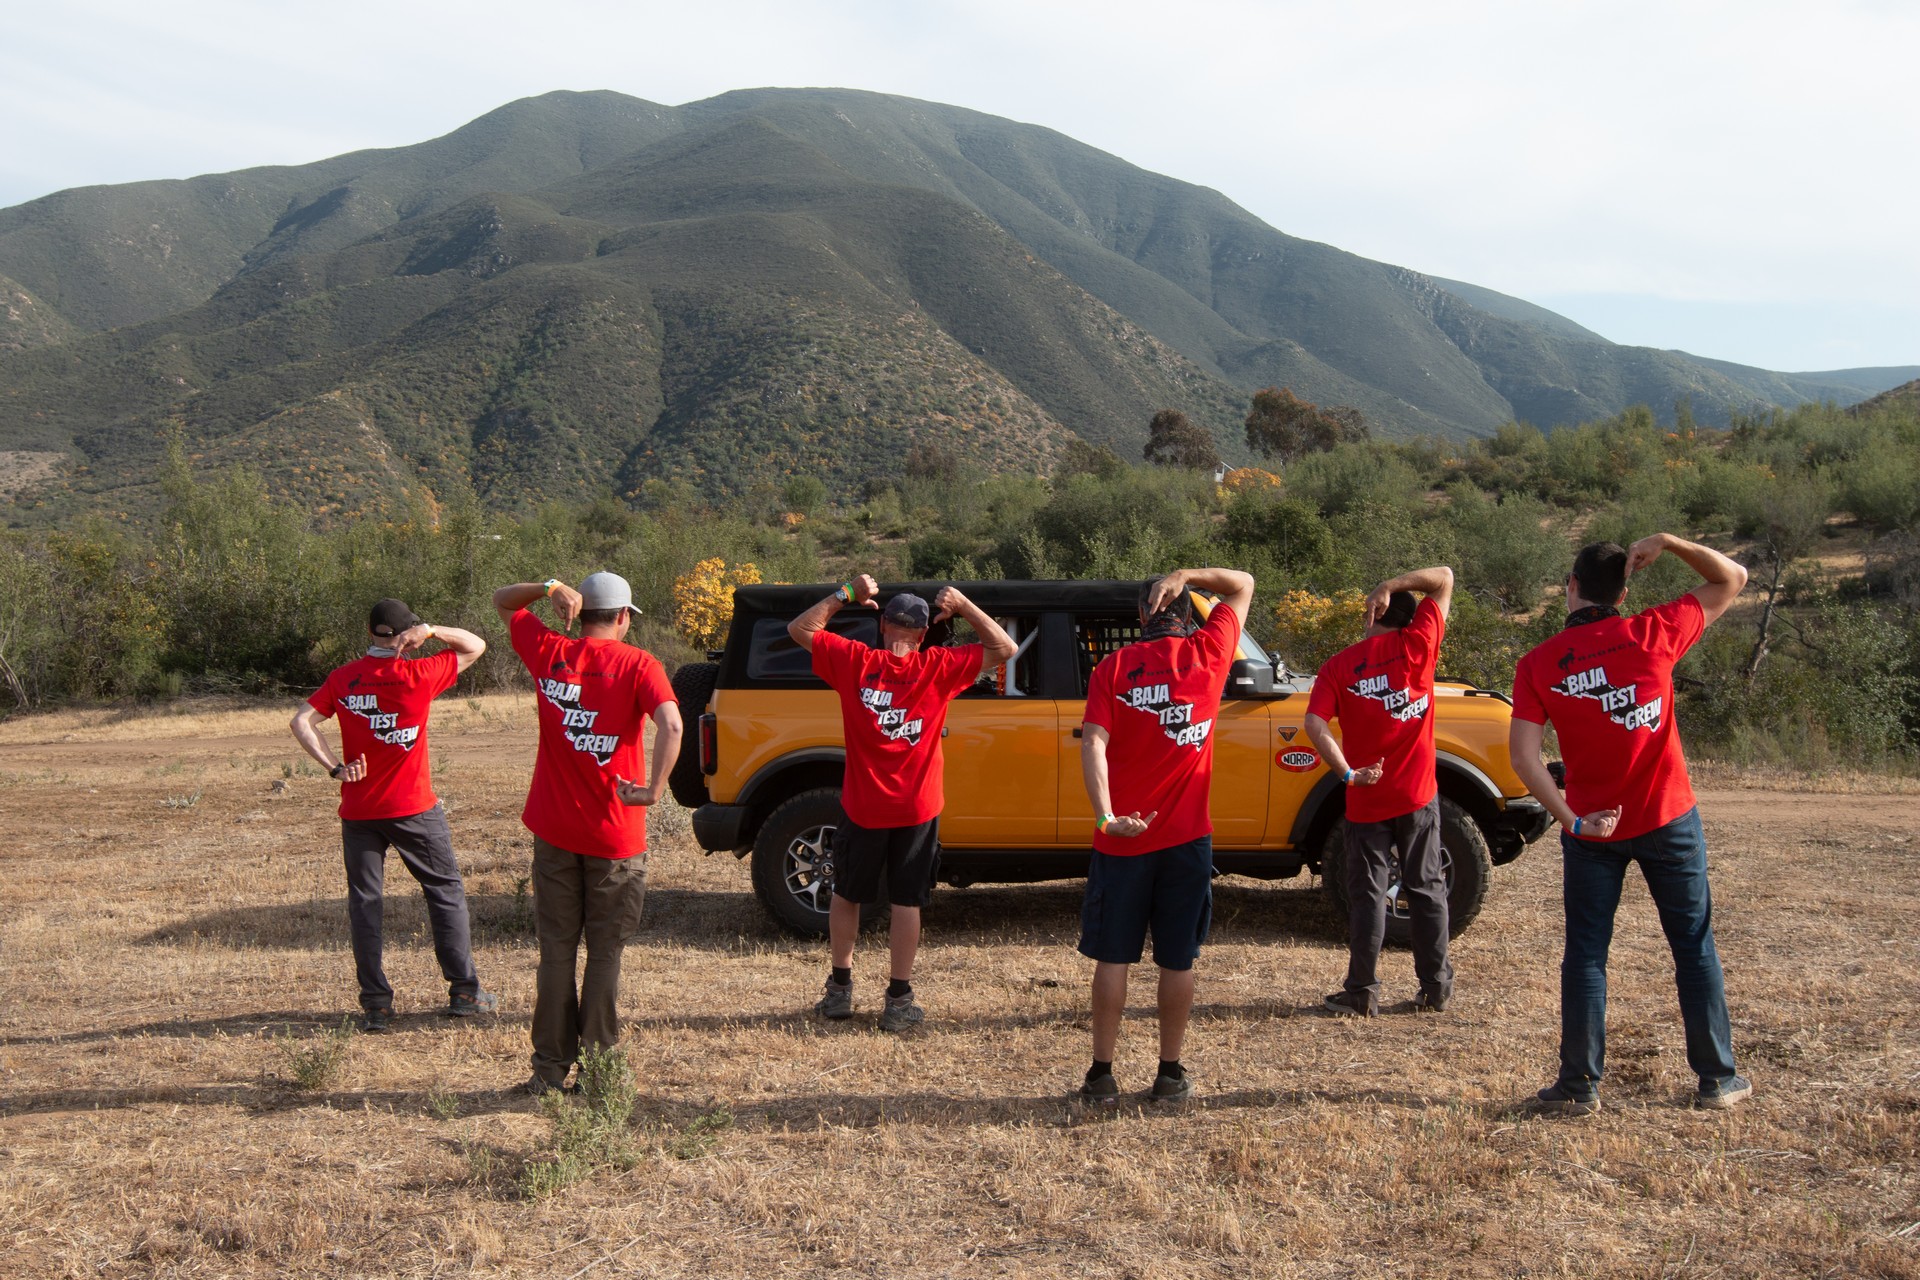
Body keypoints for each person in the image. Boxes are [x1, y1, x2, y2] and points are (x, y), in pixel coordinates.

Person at [1508, 535, 1753, 1114]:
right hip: (1669, 817)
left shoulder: (1538, 664)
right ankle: (1717, 1079)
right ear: (1622, 593)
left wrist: (1571, 821)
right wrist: (1667, 542)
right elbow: (1733, 578)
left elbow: (1523, 758)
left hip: (1592, 832)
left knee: (1586, 955)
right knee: (1692, 946)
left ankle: (1578, 1086)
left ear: (1571, 586)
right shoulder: (1653, 631)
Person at [787, 574, 1016, 1031]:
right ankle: (898, 1000)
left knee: (848, 894)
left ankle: (839, 991)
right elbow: (1005, 648)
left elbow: (800, 629)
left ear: (883, 626)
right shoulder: (939, 667)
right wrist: (963, 604)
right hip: (917, 807)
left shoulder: (855, 660)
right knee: (907, 901)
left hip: (863, 805)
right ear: (924, 633)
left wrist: (848, 594)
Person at [492, 572, 682, 1095]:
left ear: (581, 613)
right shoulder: (640, 664)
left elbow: (502, 601)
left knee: (556, 951)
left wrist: (548, 586)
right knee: (604, 954)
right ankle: (598, 1073)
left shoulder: (550, 650)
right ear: (622, 617)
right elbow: (672, 725)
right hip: (614, 835)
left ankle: (548, 1071)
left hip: (554, 829)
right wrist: (653, 790)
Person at [1076, 566, 1255, 1105]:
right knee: (1177, 960)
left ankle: (1102, 1077)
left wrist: (1107, 817)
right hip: (1186, 841)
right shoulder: (1210, 652)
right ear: (1186, 611)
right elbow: (1243, 583)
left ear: (1142, 615)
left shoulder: (1112, 667)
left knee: (1114, 958)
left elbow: (1093, 744)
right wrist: (1187, 574)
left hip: (1121, 841)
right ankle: (1169, 1075)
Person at [289, 598, 495, 1032]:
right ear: (408, 635)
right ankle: (464, 992)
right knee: (444, 891)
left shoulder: (343, 678)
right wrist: (432, 631)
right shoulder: (419, 673)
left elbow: (301, 722)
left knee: (365, 903)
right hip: (414, 807)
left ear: (370, 633)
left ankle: (376, 1005)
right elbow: (475, 645)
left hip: (360, 809)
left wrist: (335, 769)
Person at [1304, 566, 1456, 1017]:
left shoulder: (1339, 666)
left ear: (1372, 616)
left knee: (1368, 894)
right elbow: (1444, 577)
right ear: (1410, 619)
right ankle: (1435, 988)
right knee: (1426, 887)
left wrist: (1349, 774)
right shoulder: (1419, 644)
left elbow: (1314, 724)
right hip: (1417, 794)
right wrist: (1389, 585)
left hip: (1366, 799)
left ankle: (1362, 991)